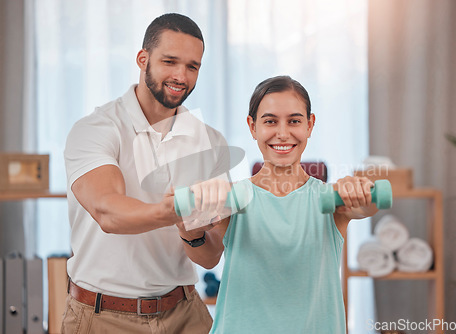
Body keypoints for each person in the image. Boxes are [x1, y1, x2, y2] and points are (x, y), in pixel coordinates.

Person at [63, 13, 231, 333]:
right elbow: (107, 211)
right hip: (102, 315)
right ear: (143, 59)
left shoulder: (209, 141)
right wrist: (173, 210)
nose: (181, 75)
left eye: (192, 66)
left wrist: (190, 232)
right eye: (170, 61)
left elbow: (210, 258)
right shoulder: (96, 129)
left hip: (185, 311)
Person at [189, 75, 379, 333]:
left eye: (294, 121)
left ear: (310, 125)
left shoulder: (330, 200)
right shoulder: (233, 198)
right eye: (270, 121)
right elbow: (205, 256)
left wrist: (361, 190)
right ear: (252, 126)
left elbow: (366, 207)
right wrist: (186, 228)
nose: (282, 133)